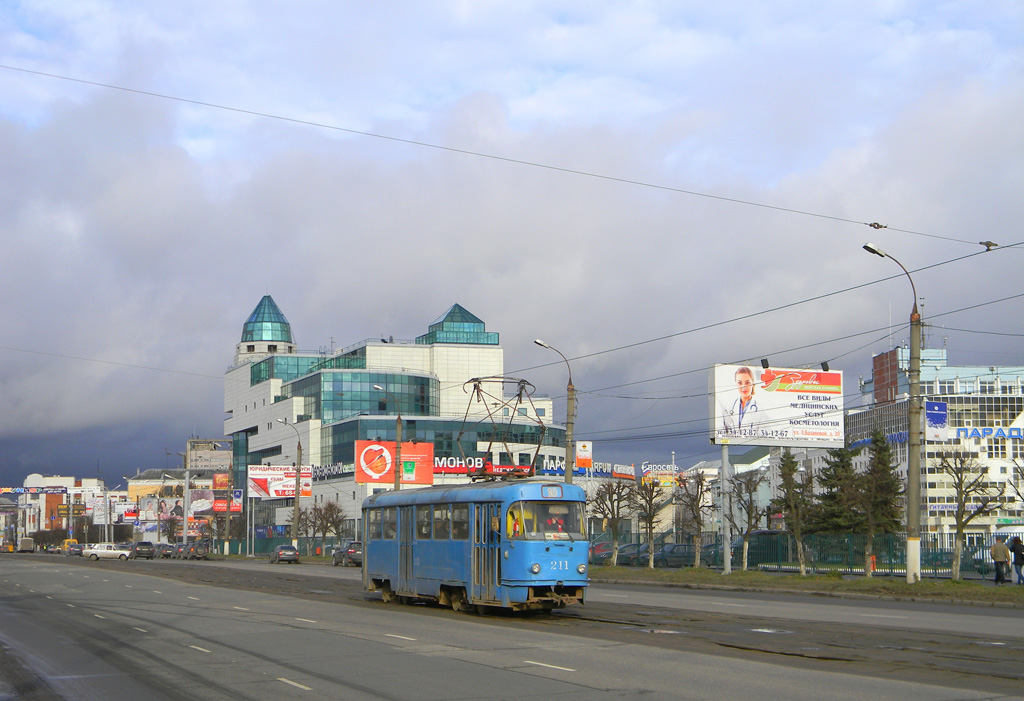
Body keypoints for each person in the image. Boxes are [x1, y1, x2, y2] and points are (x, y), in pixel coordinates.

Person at [722, 366, 760, 434]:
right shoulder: (727, 408)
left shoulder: (761, 410)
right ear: (736, 384)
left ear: (753, 384)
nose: (743, 387)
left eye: (747, 383)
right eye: (740, 383)